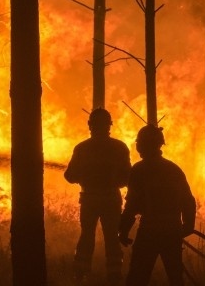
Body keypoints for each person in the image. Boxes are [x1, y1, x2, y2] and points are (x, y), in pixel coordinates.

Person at [118, 125, 196, 286]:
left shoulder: (139, 170)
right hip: (172, 230)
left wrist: (123, 230)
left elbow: (131, 205)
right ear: (160, 144)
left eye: (139, 143)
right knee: (175, 278)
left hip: (149, 230)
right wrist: (188, 225)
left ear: (142, 145)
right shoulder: (174, 169)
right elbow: (188, 200)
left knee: (137, 278)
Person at [64, 108, 132, 284]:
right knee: (112, 236)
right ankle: (114, 275)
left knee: (87, 235)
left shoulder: (82, 148)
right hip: (111, 199)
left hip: (90, 199)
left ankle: (80, 274)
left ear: (90, 125)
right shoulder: (119, 147)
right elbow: (127, 178)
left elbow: (70, 176)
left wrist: (85, 175)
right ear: (109, 125)